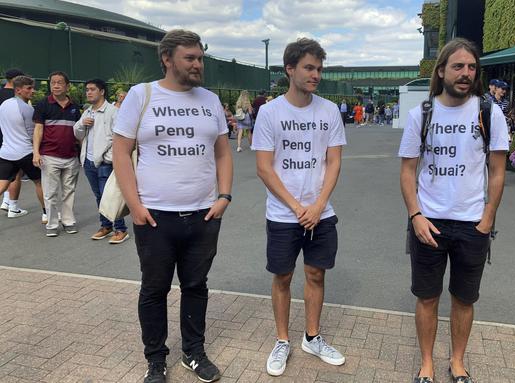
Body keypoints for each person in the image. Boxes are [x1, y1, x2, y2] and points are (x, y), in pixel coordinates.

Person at [113, 29, 233, 383]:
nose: (198, 64)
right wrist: (134, 206)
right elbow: (121, 152)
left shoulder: (210, 100)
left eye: (200, 58)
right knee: (154, 289)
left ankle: (193, 353)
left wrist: (224, 196)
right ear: (167, 59)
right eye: (190, 58)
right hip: (154, 216)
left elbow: (223, 152)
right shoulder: (142, 95)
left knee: (196, 286)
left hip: (203, 214)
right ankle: (155, 359)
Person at [399, 38, 508, 383]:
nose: (465, 73)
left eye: (471, 67)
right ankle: (427, 364)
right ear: (442, 70)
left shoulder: (489, 112)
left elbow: (498, 170)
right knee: (427, 298)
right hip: (428, 223)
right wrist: (416, 215)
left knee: (464, 299)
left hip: (472, 224)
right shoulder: (422, 114)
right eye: (458, 66)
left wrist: (488, 217)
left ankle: (457, 363)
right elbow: (407, 171)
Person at [252, 37, 347, 377]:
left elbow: (334, 162)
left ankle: (312, 336)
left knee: (316, 274)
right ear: (290, 69)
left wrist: (318, 205)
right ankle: (281, 340)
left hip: (322, 212)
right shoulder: (270, 112)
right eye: (309, 67)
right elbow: (264, 167)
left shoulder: (329, 110)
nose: (315, 74)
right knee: (282, 277)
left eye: (319, 68)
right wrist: (296, 207)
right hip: (283, 214)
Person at [73, 79, 129, 244]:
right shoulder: (88, 112)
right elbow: (77, 133)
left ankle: (121, 229)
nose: (88, 92)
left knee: (110, 196)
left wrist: (109, 157)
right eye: (87, 90)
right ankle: (106, 225)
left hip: (105, 162)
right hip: (89, 161)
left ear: (102, 91)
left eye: (92, 89)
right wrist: (82, 124)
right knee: (99, 196)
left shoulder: (112, 112)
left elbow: (119, 137)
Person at [33, 71, 82, 237]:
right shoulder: (43, 105)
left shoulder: (75, 107)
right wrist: (36, 153)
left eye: (60, 82)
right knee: (50, 193)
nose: (55, 85)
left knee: (69, 192)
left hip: (71, 157)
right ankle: (52, 224)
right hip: (49, 156)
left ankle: (68, 221)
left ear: (67, 86)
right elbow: (38, 130)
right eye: (53, 82)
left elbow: (79, 132)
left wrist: (81, 154)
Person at [0, 76, 45, 218]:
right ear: (18, 90)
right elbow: (34, 134)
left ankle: (13, 208)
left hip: (6, 152)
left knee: (2, 185)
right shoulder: (28, 110)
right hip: (26, 153)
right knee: (40, 182)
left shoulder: (4, 105)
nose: (33, 91)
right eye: (29, 88)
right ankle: (47, 214)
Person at [0, 68, 26, 216]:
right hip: (13, 138)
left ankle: (6, 201)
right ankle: (12, 206)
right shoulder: (19, 96)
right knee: (16, 171)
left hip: (3, 138)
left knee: (4, 172)